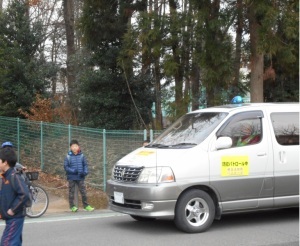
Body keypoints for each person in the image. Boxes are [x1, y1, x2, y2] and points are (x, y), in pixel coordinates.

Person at [0, 147, 30, 245]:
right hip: (11, 219)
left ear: (5, 162)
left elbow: (24, 194)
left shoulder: (14, 176)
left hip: (15, 218)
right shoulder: (6, 176)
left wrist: (12, 209)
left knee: (6, 243)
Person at [64, 139, 94, 212]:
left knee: (83, 192)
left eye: (76, 146)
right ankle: (72, 207)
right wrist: (73, 171)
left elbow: (85, 165)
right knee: (71, 192)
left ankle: (86, 206)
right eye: (73, 146)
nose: (74, 147)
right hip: (71, 177)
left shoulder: (82, 156)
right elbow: (66, 167)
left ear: (78, 147)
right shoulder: (68, 156)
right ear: (70, 147)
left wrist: (85, 172)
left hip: (80, 177)